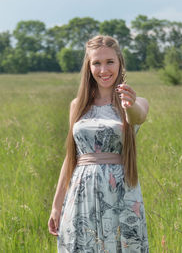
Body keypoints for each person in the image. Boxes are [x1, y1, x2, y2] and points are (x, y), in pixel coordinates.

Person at [48, 35, 149, 252]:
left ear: (120, 63)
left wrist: (128, 104)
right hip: (80, 193)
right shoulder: (78, 105)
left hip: (121, 192)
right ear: (89, 67)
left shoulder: (135, 102)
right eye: (97, 63)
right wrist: (56, 206)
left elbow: (137, 117)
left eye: (110, 62)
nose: (104, 70)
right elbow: (71, 157)